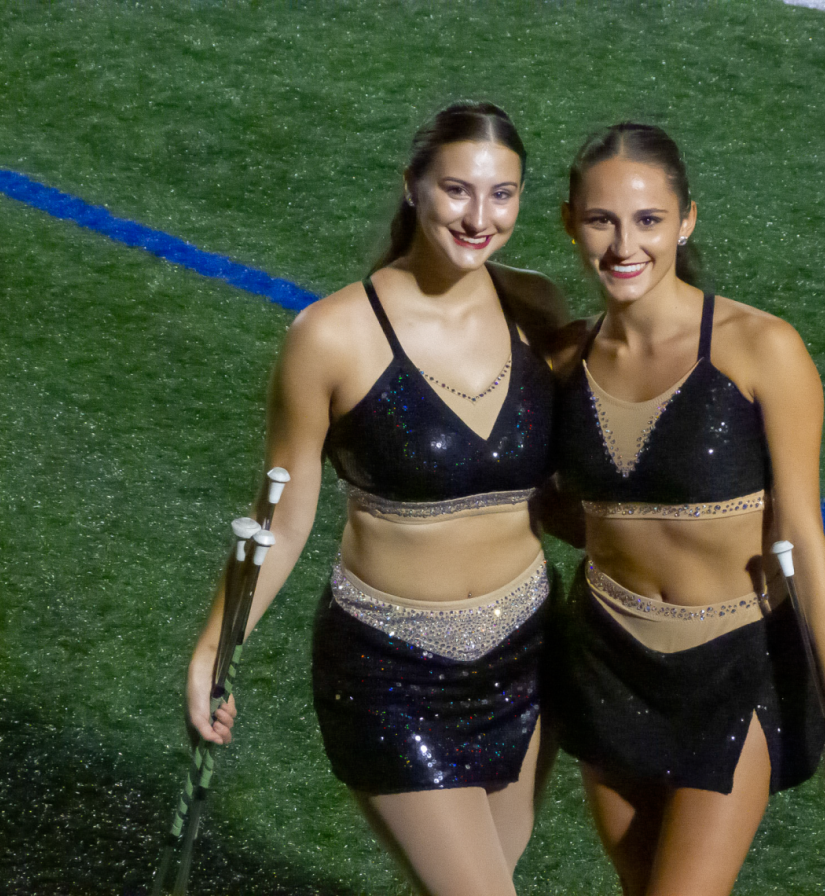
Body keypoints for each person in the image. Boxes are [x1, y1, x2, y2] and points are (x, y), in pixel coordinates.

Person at [185, 101, 568, 896]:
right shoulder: (330, 336)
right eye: (457, 191)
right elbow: (279, 519)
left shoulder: (536, 309)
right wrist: (213, 651)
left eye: (503, 194)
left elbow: (572, 489)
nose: (480, 216)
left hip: (529, 662)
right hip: (392, 678)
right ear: (412, 186)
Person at [547, 122, 825, 896]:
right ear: (570, 222)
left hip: (737, 665)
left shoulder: (762, 350)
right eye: (601, 220)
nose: (624, 244)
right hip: (605, 660)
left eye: (648, 221)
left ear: (686, 220)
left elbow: (802, 535)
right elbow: (531, 494)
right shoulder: (563, 358)